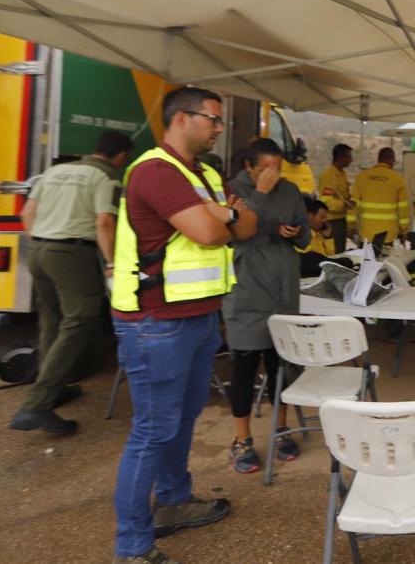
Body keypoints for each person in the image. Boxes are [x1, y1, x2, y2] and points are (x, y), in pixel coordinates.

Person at [109, 87, 259, 564]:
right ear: (180, 119)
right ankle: (132, 545)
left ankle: (174, 500)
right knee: (154, 429)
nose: (219, 127)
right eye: (213, 119)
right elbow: (211, 232)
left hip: (196, 315)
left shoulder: (206, 174)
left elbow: (247, 225)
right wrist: (224, 217)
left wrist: (227, 212)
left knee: (183, 417)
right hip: (155, 321)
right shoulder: (156, 171)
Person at [10, 130, 134, 434]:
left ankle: (55, 387)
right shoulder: (106, 177)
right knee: (80, 319)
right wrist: (112, 262)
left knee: (51, 321)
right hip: (71, 252)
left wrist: (41, 240)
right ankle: (36, 405)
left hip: (38, 248)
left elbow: (27, 212)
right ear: (120, 156)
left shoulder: (53, 171)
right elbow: (104, 221)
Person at [223, 138, 311, 474]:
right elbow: (237, 233)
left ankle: (280, 427)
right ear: (249, 166)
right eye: (265, 169)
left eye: (278, 168)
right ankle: (241, 440)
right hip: (247, 289)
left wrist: (296, 231)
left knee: (281, 364)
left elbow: (304, 239)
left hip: (283, 287)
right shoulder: (231, 190)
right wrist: (259, 193)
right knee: (245, 364)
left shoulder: (289, 191)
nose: (273, 174)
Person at [350, 147, 409, 245]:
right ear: (390, 160)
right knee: (385, 260)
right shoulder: (397, 179)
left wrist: (350, 226)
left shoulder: (362, 177)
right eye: (393, 163)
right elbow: (403, 209)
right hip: (387, 236)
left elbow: (353, 204)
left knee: (365, 260)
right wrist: (404, 231)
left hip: (366, 234)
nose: (393, 165)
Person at [317, 143, 354, 252]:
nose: (351, 160)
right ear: (341, 157)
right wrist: (344, 204)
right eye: (349, 157)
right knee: (335, 252)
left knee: (341, 250)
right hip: (332, 222)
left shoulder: (342, 175)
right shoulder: (328, 176)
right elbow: (326, 201)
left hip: (342, 220)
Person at [297, 196, 337, 277]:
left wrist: (328, 237)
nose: (324, 221)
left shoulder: (318, 234)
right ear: (310, 215)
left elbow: (330, 257)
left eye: (325, 218)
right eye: (321, 217)